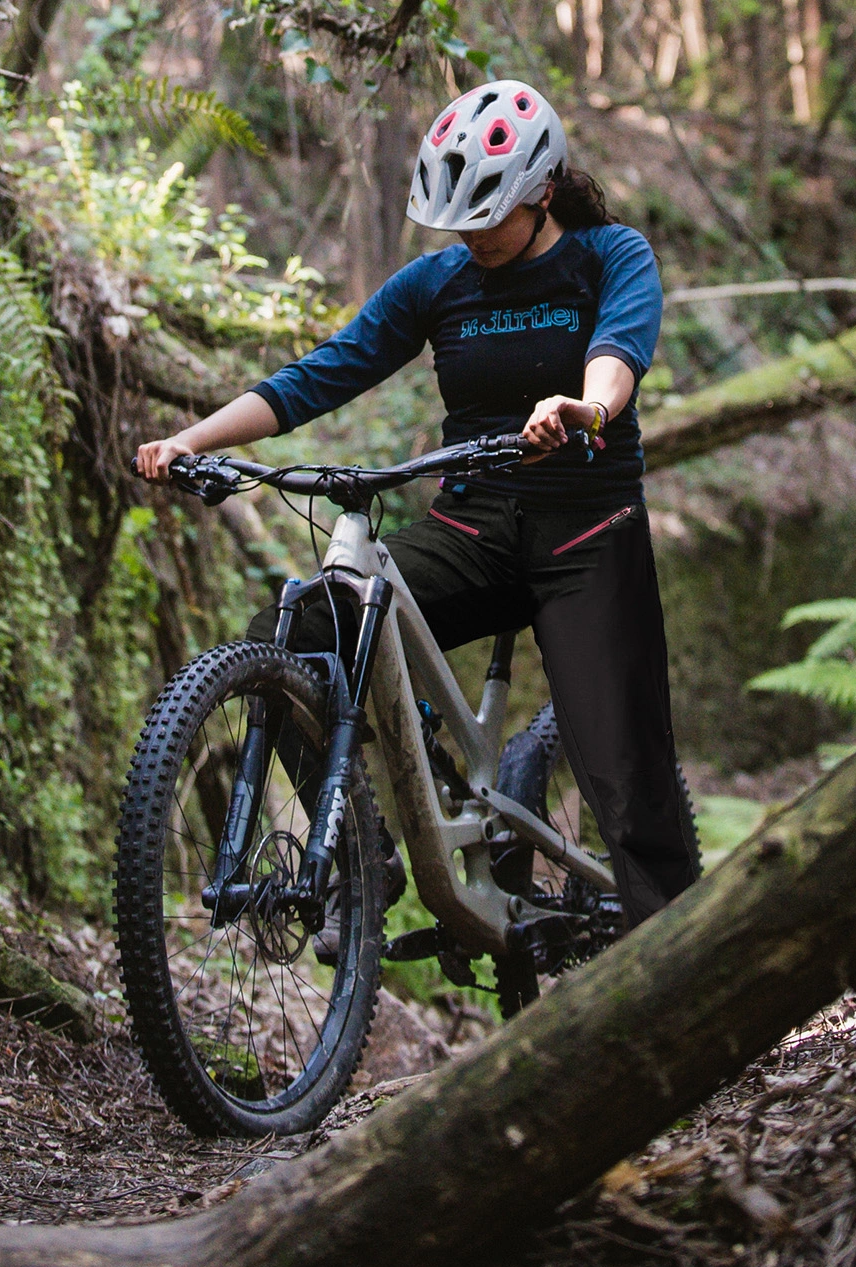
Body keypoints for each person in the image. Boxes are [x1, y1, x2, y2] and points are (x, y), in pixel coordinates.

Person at [135, 80, 695, 928]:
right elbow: (320, 374)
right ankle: (366, 856)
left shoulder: (609, 256)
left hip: (588, 534)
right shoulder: (437, 283)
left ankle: (683, 962)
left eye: (489, 218)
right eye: (458, 223)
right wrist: (193, 440)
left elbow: (618, 350)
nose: (473, 238)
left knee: (624, 770)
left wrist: (587, 408)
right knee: (289, 633)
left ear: (542, 191)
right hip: (472, 531)